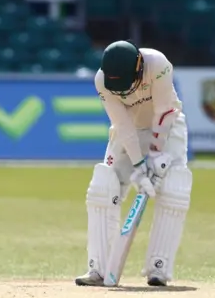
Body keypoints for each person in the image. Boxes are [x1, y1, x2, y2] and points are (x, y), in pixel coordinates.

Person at [75, 40, 192, 287]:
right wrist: (140, 165)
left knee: (174, 189)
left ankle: (158, 268)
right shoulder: (102, 80)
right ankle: (98, 268)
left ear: (138, 67)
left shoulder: (158, 65)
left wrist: (155, 156)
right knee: (103, 187)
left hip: (167, 127)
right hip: (130, 129)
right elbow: (123, 125)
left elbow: (163, 112)